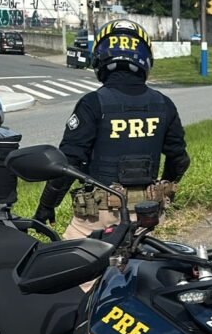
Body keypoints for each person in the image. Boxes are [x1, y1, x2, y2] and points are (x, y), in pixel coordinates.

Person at [33, 20, 191, 248]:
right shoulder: (164, 104)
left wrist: (46, 206)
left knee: (65, 265)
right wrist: (164, 192)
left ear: (99, 58)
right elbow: (179, 160)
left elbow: (68, 163)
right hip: (146, 215)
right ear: (146, 59)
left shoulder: (92, 103)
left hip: (98, 218)